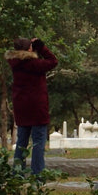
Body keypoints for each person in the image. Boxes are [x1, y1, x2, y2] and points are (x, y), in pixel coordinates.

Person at [5, 37, 58, 174]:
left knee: (21, 142)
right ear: (30, 49)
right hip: (37, 107)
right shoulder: (35, 64)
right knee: (38, 142)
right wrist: (41, 47)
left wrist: (33, 49)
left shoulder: (14, 63)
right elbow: (53, 61)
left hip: (21, 107)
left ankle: (17, 172)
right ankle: (37, 174)